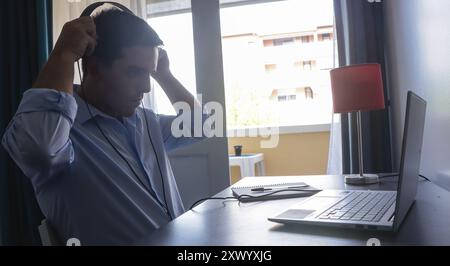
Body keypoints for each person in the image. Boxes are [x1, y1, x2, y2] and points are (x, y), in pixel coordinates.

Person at [2, 8, 204, 245]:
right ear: (95, 68)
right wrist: (64, 54)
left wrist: (165, 75)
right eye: (135, 72)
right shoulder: (60, 134)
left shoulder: (146, 121)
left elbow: (204, 127)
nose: (147, 87)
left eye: (149, 73)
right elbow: (39, 149)